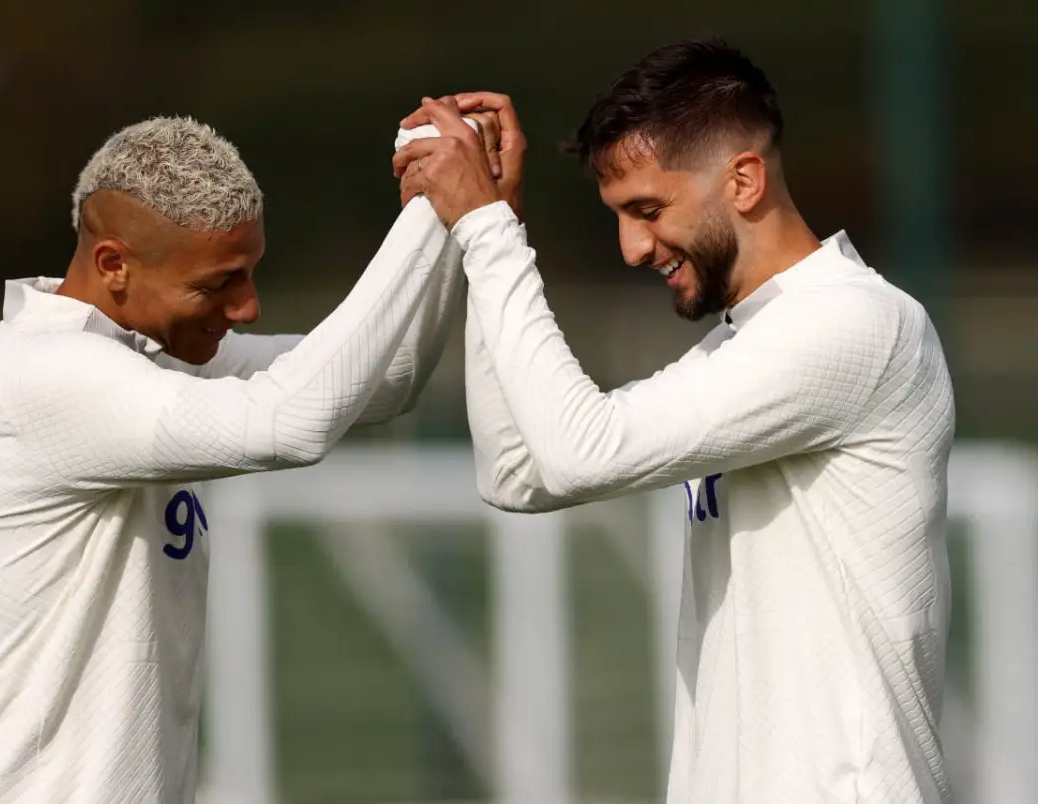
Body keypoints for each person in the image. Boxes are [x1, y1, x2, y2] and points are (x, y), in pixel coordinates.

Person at [395, 38, 955, 804]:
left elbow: (579, 454)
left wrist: (488, 231)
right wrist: (499, 227)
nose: (631, 247)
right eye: (620, 216)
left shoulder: (857, 324)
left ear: (745, 179)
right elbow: (519, 470)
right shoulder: (754, 337)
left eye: (649, 210)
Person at [0, 115, 468, 803]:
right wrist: (434, 205)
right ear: (113, 265)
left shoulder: (148, 355)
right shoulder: (40, 373)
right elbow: (290, 425)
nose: (247, 307)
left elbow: (385, 376)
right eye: (219, 284)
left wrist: (455, 218)